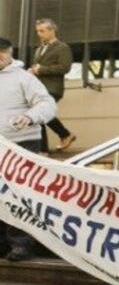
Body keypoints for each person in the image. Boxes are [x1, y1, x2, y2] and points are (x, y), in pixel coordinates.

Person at [0, 36, 57, 262]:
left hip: (22, 143)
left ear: (10, 53)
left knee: (18, 195)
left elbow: (47, 104)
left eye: (3, 52)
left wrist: (30, 116)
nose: (0, 56)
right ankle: (3, 244)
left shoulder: (24, 78)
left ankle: (21, 244)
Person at [29, 18, 76, 152]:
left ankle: (45, 149)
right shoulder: (38, 50)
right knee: (39, 116)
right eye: (37, 31)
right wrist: (33, 70)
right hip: (39, 88)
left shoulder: (62, 48)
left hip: (52, 88)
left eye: (42, 31)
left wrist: (41, 69)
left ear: (52, 31)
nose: (39, 34)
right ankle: (63, 136)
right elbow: (39, 67)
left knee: (39, 114)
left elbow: (65, 67)